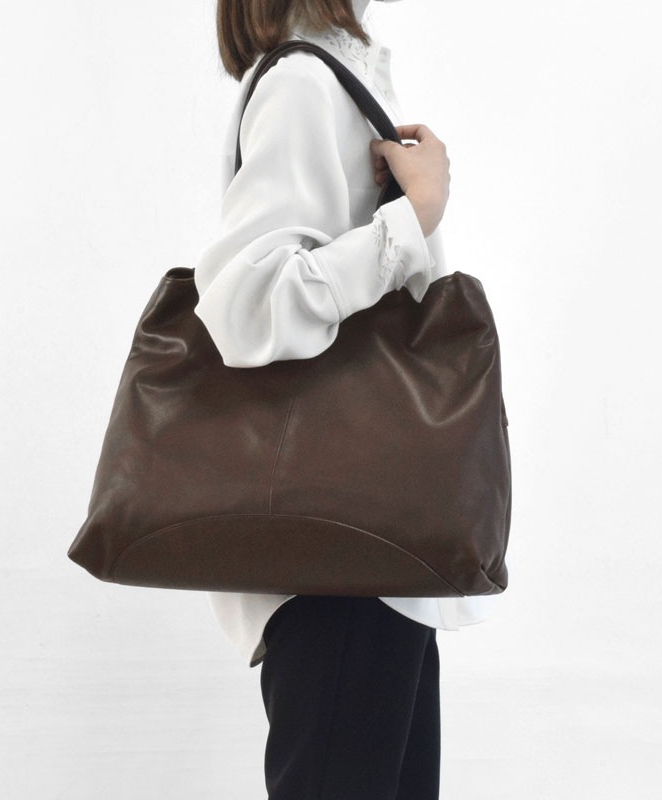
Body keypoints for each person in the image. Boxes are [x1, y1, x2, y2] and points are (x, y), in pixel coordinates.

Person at [194, 1, 503, 797]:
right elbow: (247, 306)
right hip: (337, 561)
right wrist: (413, 218)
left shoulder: (334, 76)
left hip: (378, 558)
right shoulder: (302, 84)